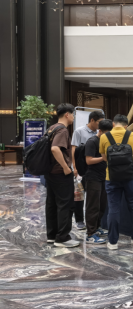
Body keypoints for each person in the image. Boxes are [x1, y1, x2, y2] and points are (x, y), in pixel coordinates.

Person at [99, 114, 133, 250]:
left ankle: (113, 242)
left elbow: (104, 158)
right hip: (132, 177)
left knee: (113, 209)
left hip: (111, 178)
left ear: (113, 123)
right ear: (126, 125)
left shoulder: (104, 137)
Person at [45, 103, 80, 248]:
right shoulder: (62, 130)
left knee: (52, 204)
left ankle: (52, 235)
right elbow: (55, 149)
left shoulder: (51, 128)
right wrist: (66, 167)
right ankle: (63, 238)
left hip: (50, 172)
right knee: (65, 204)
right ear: (67, 114)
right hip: (60, 173)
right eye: (73, 114)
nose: (73, 117)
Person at [71, 110, 105, 230]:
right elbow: (74, 150)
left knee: (94, 198)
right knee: (79, 195)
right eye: (99, 122)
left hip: (95, 169)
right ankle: (79, 220)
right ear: (92, 120)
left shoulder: (100, 133)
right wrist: (75, 167)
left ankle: (95, 224)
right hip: (82, 168)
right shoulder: (79, 131)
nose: (101, 125)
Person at [83, 119, 113, 244]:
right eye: (106, 133)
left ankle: (97, 227)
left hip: (103, 176)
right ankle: (90, 234)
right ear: (99, 131)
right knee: (93, 206)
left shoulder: (106, 140)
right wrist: (103, 158)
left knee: (102, 205)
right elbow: (88, 160)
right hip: (92, 177)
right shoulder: (92, 141)